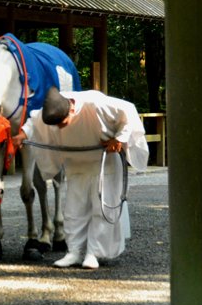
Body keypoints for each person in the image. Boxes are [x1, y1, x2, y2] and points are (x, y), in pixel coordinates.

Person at [12, 86, 148, 269]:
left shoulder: (96, 103)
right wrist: (22, 135)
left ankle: (93, 252)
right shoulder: (53, 108)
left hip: (103, 162)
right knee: (73, 210)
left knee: (100, 208)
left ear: (72, 109)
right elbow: (34, 121)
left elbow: (129, 110)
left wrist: (120, 138)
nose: (59, 127)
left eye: (63, 123)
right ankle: (73, 252)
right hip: (75, 164)